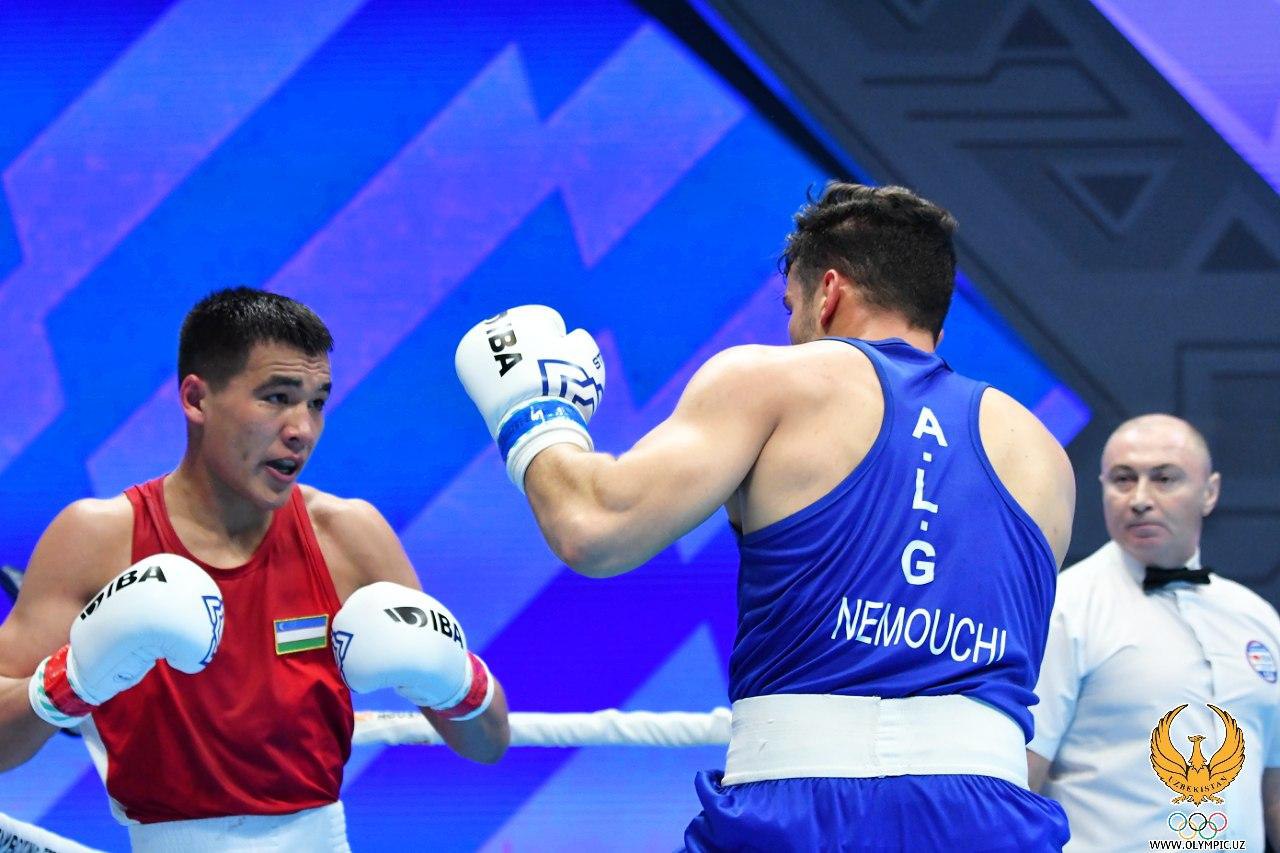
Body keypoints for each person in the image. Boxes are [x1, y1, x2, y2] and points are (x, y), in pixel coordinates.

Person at [456, 182, 1075, 850]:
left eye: (791, 307)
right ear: (936, 319)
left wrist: (535, 417)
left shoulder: (775, 382)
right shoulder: (1043, 456)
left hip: (803, 808)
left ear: (827, 292)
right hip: (991, 819)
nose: (790, 329)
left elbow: (592, 526)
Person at [0, 288, 509, 851]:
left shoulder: (348, 536)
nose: (302, 429)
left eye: (316, 402)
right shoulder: (98, 539)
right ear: (196, 399)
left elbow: (488, 742)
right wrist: (73, 679)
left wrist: (454, 677)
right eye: (277, 398)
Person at [1028, 414, 1280, 850]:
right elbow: (1022, 779)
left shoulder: (1257, 618)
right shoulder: (1064, 608)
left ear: (1210, 492)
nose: (1140, 499)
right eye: (1123, 480)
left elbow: (1273, 789)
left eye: (1164, 479)